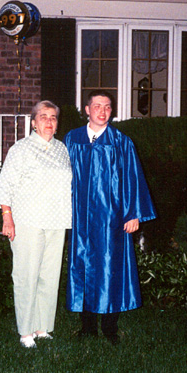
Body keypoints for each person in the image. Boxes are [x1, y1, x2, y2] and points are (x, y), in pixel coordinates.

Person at [64, 90, 156, 345]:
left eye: (107, 107)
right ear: (86, 109)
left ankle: (110, 328)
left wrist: (133, 213)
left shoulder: (121, 142)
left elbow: (133, 178)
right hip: (81, 218)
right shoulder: (73, 139)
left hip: (111, 220)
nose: (102, 111)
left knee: (110, 270)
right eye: (97, 106)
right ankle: (87, 327)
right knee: (82, 267)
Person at [0, 100, 72, 348]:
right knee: (27, 276)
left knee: (49, 275)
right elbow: (6, 185)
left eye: (53, 117)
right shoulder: (21, 149)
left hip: (56, 221)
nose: (49, 121)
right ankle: (25, 332)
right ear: (34, 122)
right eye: (43, 117)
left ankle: (42, 327)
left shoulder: (62, 149)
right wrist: (7, 217)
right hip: (28, 221)